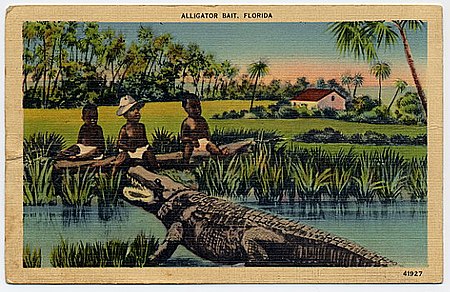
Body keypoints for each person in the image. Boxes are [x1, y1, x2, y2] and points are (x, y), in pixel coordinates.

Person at [112, 95, 159, 171]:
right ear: (125, 115)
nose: (136, 112)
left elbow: (144, 140)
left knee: (149, 155)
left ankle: (155, 170)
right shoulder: (125, 129)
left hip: (140, 150)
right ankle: (115, 172)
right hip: (128, 151)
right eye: (132, 110)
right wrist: (129, 148)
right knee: (123, 157)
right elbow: (119, 143)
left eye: (137, 109)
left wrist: (148, 147)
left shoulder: (141, 127)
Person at [180, 93, 226, 163]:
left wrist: (208, 140)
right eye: (193, 107)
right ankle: (185, 163)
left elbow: (207, 132)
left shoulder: (202, 120)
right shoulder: (187, 122)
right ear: (185, 108)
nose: (197, 109)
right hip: (192, 143)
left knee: (211, 146)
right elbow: (183, 137)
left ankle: (220, 156)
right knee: (188, 148)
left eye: (199, 106)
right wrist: (191, 140)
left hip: (203, 143)